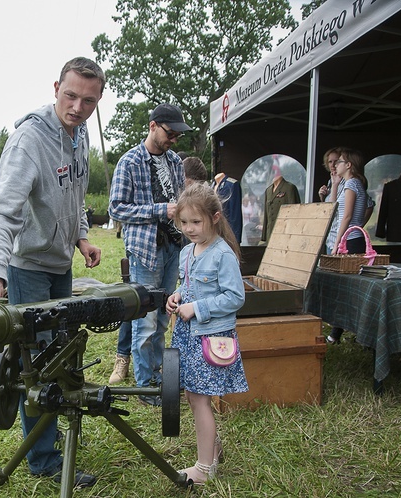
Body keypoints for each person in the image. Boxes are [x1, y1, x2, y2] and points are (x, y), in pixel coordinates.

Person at [0, 56, 104, 488]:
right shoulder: (27, 141)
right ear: (55, 87)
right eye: (70, 96)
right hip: (26, 266)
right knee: (39, 365)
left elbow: (75, 195)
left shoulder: (81, 133)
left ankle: (59, 432)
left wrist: (81, 237)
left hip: (60, 266)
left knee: (64, 354)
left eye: (88, 100)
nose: (77, 107)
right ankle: (44, 459)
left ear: (97, 100)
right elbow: (2, 213)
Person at [165, 182, 247, 485]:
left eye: (195, 222)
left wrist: (197, 307)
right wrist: (176, 296)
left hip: (209, 337)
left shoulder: (222, 254)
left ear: (214, 217)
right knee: (192, 395)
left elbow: (235, 297)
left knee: (199, 399)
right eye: (183, 222)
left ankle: (204, 468)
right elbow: (189, 286)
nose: (189, 228)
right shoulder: (188, 250)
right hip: (188, 335)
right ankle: (212, 448)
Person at [108, 103, 191, 403]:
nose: (173, 140)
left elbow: (180, 200)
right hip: (144, 250)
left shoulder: (175, 163)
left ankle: (157, 375)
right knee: (145, 319)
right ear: (153, 126)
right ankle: (145, 386)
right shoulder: (129, 162)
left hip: (173, 247)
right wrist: (160, 210)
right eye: (170, 133)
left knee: (163, 316)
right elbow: (115, 208)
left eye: (177, 136)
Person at [327, 147, 370, 344]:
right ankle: (338, 332)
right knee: (347, 287)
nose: (336, 165)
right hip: (351, 238)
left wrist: (337, 243)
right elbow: (334, 206)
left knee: (347, 287)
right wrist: (335, 184)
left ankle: (337, 333)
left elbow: (347, 216)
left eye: (340, 162)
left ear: (349, 165)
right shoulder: (349, 183)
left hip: (350, 240)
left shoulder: (352, 183)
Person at [260, 170, 300, 244]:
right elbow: (266, 215)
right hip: (270, 234)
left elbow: (295, 213)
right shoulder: (268, 191)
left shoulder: (289, 188)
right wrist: (264, 235)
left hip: (284, 233)